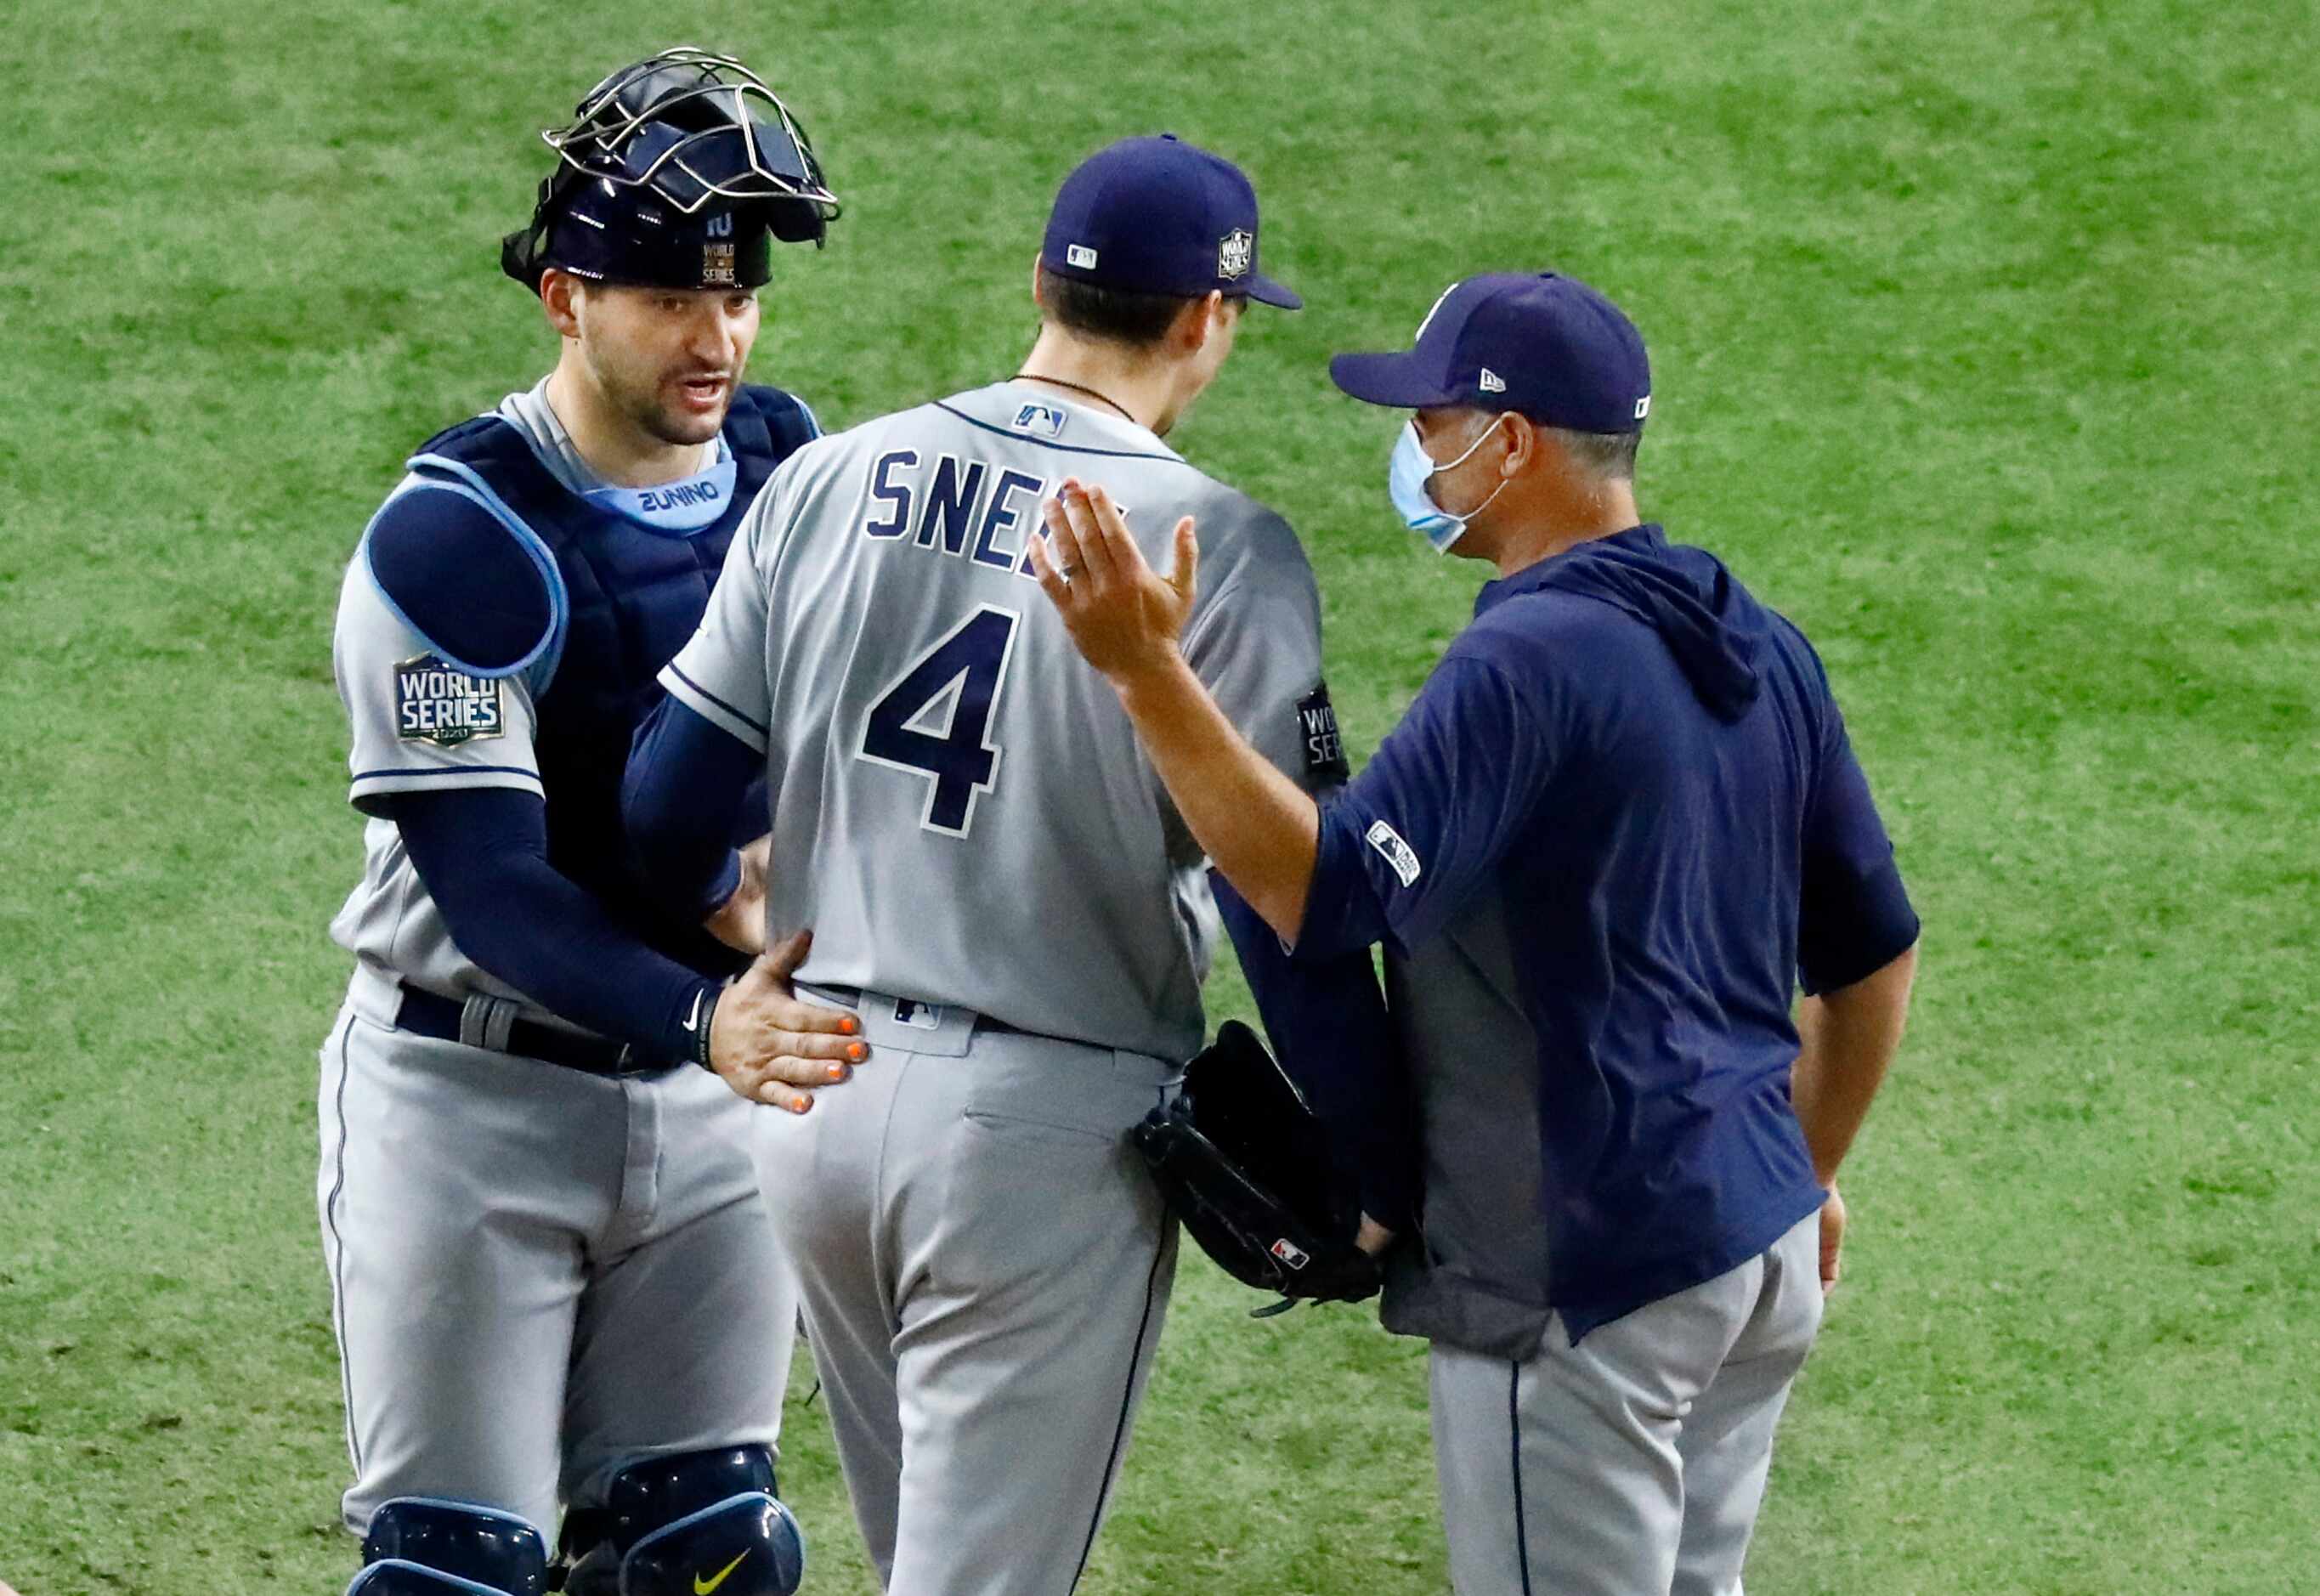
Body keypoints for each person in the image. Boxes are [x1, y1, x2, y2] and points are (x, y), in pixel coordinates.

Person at [1032, 270, 1922, 1595]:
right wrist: (1796, 1165)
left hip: (1583, 1269)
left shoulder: (1530, 659)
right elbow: (1869, 959)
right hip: (1754, 1251)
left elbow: (1321, 893)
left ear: (1509, 445)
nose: (1416, 449)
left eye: (1435, 419)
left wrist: (1148, 671)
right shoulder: (1757, 642)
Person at [620, 133, 1404, 1595]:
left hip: (816, 1100)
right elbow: (1280, 889)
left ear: (1040, 283)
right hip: (1037, 1143)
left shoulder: (825, 476)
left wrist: (741, 919)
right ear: (1206, 321)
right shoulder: (1214, 544)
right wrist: (1373, 1153)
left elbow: (666, 802)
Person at [317, 48, 861, 1596]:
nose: (719, 338)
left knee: (711, 1557)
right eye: (670, 302)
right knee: (453, 1576)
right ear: (564, 299)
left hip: (705, 1105)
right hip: (468, 1105)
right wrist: (713, 1014)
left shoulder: (785, 466)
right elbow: (492, 887)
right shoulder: (458, 541)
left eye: (738, 296)